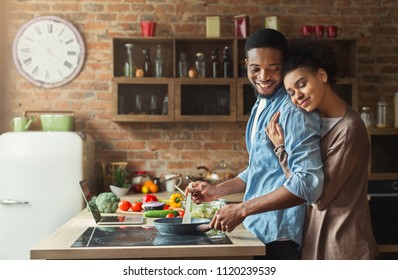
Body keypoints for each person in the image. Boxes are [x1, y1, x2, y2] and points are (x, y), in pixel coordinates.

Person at [188, 28, 324, 260]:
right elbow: (260, 167)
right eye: (255, 68)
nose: (263, 76)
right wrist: (218, 190)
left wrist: (242, 208)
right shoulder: (260, 105)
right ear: (245, 65)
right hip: (258, 230)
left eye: (273, 68)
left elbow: (308, 184)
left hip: (281, 236)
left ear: (285, 65)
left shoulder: (293, 110)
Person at [266, 41, 379, 259]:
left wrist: (281, 149)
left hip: (344, 249)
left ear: (322, 76)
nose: (297, 96)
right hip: (320, 242)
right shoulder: (317, 123)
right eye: (290, 92)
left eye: (301, 84)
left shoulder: (349, 129)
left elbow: (317, 195)